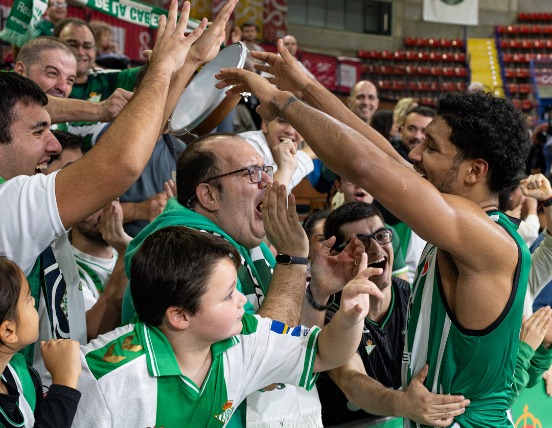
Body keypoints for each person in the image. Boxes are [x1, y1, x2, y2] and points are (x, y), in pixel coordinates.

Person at [216, 39, 532, 426]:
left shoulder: (488, 240)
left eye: (429, 147)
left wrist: (282, 102)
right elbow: (380, 152)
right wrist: (307, 87)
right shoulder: (460, 220)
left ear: (474, 171)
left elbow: (365, 165)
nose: (414, 155)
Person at [0, 0, 234, 386]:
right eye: (39, 132)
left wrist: (188, 63)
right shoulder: (9, 203)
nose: (55, 146)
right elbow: (120, 164)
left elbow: (146, 131)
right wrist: (163, 65)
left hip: (48, 388)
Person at [74, 226, 384, 427]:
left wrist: (349, 317)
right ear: (179, 316)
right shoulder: (103, 380)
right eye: (227, 296)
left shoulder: (244, 336)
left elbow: (325, 354)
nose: (241, 301)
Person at [121, 133, 325, 427]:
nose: (268, 182)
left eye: (266, 170)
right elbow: (261, 359)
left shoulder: (244, 240)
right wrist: (291, 259)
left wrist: (319, 290)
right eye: (251, 173)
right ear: (209, 196)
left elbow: (297, 345)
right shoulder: (187, 253)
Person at [316, 202, 411, 426]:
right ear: (340, 255)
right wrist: (406, 403)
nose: (377, 249)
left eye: (381, 236)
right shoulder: (329, 310)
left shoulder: (411, 295)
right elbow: (351, 381)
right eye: (362, 243)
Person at [0, 255, 81, 427]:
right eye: (29, 299)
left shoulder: (18, 369)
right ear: (8, 331)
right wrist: (64, 385)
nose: (34, 301)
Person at [53, 18, 140, 101]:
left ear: (95, 50)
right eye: (72, 44)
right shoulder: (44, 79)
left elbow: (147, 71)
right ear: (53, 45)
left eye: (87, 46)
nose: (81, 52)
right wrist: (101, 109)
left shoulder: (108, 79)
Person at [240, 117, 315, 190]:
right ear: (265, 124)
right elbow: (260, 196)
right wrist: (308, 153)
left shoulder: (293, 148)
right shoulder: (247, 145)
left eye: (298, 125)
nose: (290, 131)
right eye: (282, 121)